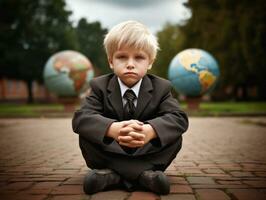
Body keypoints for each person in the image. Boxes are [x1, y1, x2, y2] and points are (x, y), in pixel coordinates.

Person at [72, 20, 189, 195]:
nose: (130, 64)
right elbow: (81, 118)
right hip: (111, 150)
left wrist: (150, 131)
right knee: (87, 133)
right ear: (111, 61)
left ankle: (112, 176)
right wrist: (112, 129)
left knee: (173, 135)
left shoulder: (161, 87)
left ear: (150, 62)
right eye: (122, 57)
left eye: (139, 57)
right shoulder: (99, 86)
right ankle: (143, 176)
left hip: (146, 150)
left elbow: (179, 118)